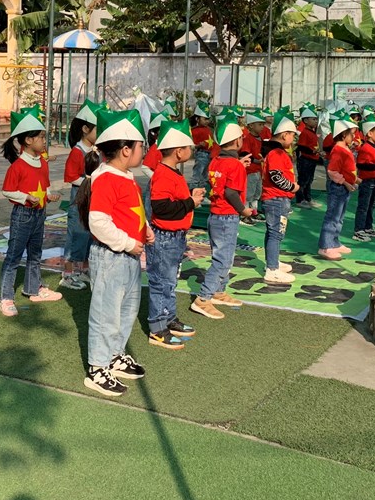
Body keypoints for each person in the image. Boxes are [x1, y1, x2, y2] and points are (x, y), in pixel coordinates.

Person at [76, 108, 151, 396]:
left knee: (126, 310)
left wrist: (145, 229)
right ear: (125, 150)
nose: (144, 150)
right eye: (141, 145)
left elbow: (131, 211)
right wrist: (128, 242)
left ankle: (115, 355)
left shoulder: (125, 175)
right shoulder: (106, 178)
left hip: (128, 256)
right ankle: (97, 367)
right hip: (111, 256)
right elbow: (98, 222)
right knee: (106, 314)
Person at [146, 119, 205, 349]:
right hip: (165, 238)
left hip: (174, 237)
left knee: (169, 281)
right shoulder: (163, 174)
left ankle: (168, 318)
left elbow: (173, 199)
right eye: (189, 147)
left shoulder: (172, 173)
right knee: (161, 282)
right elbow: (162, 207)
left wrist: (190, 196)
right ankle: (157, 327)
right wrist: (190, 202)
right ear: (179, 151)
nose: (191, 151)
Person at [0, 107, 62, 315]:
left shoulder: (42, 161)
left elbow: (45, 184)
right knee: (14, 255)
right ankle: (5, 297)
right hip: (23, 215)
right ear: (27, 140)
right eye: (41, 137)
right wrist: (26, 197)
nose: (44, 141)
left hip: (39, 214)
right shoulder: (17, 166)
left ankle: (33, 289)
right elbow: (7, 191)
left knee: (35, 253)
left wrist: (48, 195)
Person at [191, 114, 252, 319]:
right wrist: (243, 210)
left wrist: (238, 164)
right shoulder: (235, 166)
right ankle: (203, 297)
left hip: (215, 215)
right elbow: (231, 192)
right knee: (223, 259)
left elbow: (221, 181)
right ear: (237, 141)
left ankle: (218, 291)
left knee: (224, 255)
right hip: (228, 216)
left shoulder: (216, 161)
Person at [61, 99, 101, 290]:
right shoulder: (77, 152)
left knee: (88, 235)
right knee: (75, 235)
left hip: (92, 199)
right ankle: (67, 274)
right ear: (85, 129)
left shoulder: (95, 150)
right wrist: (90, 181)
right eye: (98, 130)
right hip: (79, 199)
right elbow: (70, 177)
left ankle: (83, 270)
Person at [260, 109, 299, 285]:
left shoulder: (276, 152)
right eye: (292, 135)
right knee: (276, 232)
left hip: (277, 198)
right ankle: (272, 269)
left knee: (273, 232)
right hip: (276, 198)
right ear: (284, 135)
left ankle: (272, 261)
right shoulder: (276, 153)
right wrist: (292, 186)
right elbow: (276, 176)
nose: (294, 139)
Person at [317, 115, 358, 261]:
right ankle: (325, 246)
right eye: (351, 134)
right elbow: (332, 171)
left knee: (339, 217)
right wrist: (346, 182)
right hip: (338, 187)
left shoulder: (344, 148)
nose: (354, 137)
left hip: (344, 187)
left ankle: (334, 242)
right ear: (343, 135)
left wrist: (354, 179)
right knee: (333, 216)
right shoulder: (338, 150)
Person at [351, 114, 375, 242]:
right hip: (367, 180)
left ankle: (368, 226)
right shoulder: (365, 148)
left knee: (372, 205)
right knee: (364, 205)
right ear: (370, 133)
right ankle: (358, 230)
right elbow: (361, 165)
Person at [240, 108, 267, 224]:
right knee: (249, 193)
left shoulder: (260, 138)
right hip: (251, 171)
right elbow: (245, 154)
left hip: (258, 171)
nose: (262, 127)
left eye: (263, 124)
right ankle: (245, 214)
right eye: (260, 124)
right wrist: (257, 160)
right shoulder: (248, 139)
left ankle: (254, 212)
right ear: (251, 126)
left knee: (257, 193)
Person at [295, 105, 321, 209]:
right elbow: (301, 146)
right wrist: (313, 151)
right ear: (305, 120)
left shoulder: (312, 132)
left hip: (312, 159)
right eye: (313, 119)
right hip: (306, 160)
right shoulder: (305, 133)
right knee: (303, 180)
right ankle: (300, 199)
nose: (316, 121)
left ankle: (308, 198)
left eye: (316, 119)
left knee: (309, 180)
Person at [188, 103, 213, 192]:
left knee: (205, 176)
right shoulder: (195, 130)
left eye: (208, 119)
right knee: (197, 175)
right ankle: (193, 191)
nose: (207, 121)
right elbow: (192, 145)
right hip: (201, 154)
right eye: (205, 119)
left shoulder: (209, 129)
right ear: (197, 119)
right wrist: (198, 145)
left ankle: (202, 192)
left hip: (209, 155)